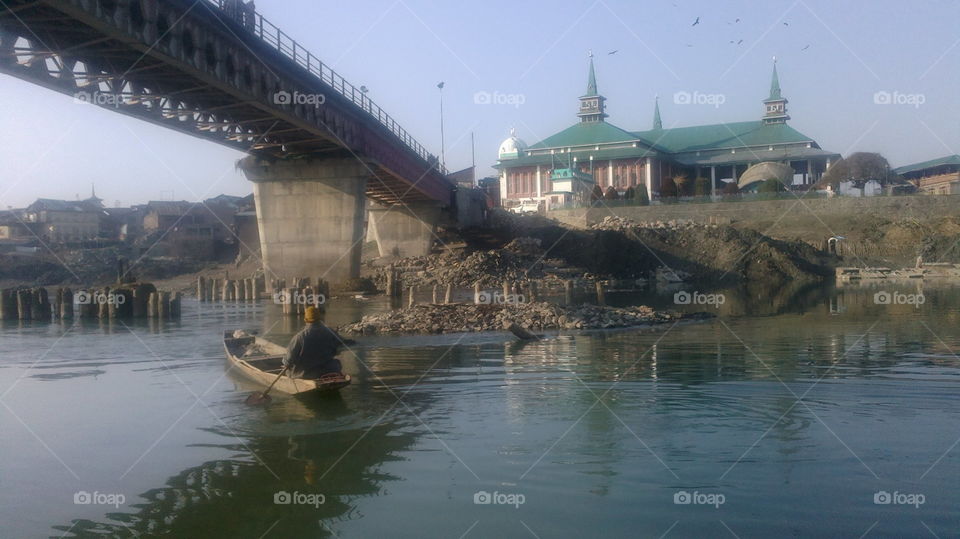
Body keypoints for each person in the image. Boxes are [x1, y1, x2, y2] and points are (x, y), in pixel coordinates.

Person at [283, 306, 344, 379]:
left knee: (289, 370)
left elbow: (288, 361)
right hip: (330, 370)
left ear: (306, 320)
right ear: (319, 318)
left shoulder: (299, 337)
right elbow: (338, 349)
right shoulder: (330, 332)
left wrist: (285, 363)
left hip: (306, 374)